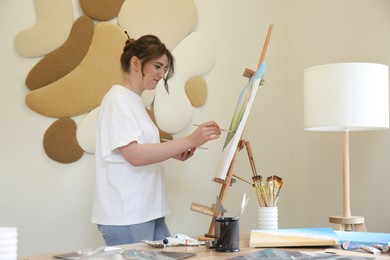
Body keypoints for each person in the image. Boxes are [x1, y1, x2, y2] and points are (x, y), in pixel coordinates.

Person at [92, 33, 221, 246]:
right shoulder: (117, 100)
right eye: (158, 66)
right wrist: (189, 140)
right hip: (128, 214)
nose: (161, 74)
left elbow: (140, 146)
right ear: (136, 63)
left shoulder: (134, 101)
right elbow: (134, 155)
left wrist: (174, 151)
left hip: (146, 210)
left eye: (164, 69)